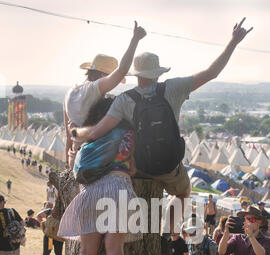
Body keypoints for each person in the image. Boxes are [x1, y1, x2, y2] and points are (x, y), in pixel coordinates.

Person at [74, 18, 253, 235]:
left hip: (139, 166)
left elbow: (97, 131)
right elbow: (211, 72)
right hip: (169, 167)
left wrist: (77, 135)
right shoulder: (173, 88)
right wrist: (233, 42)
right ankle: (167, 233)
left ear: (137, 75)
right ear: (157, 73)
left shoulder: (124, 100)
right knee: (183, 193)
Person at [58, 95, 139, 255]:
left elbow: (76, 166)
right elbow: (132, 168)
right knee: (114, 247)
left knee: (86, 252)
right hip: (118, 188)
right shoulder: (128, 135)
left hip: (89, 193)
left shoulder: (87, 137)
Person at [64, 21, 147, 169]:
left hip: (76, 158)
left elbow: (68, 136)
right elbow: (121, 70)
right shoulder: (93, 89)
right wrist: (135, 40)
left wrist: (69, 164)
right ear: (103, 75)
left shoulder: (70, 93)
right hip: (94, 158)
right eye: (109, 77)